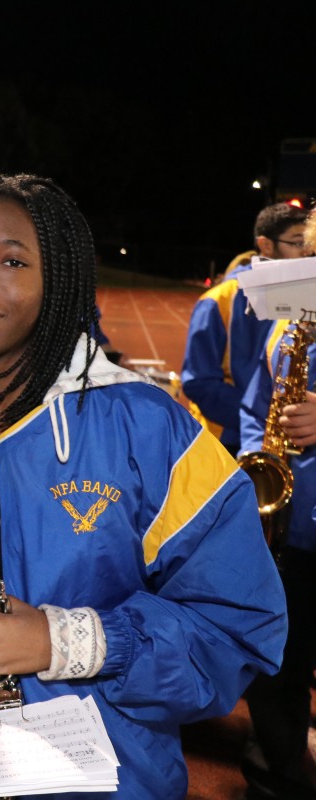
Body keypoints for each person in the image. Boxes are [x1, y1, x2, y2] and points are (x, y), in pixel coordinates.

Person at [0, 172, 287, 799]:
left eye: (12, 259)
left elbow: (238, 623)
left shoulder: (149, 427)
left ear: (62, 282)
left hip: (107, 778)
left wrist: (63, 641)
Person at [238, 209, 316, 800]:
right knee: (277, 656)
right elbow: (254, 400)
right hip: (288, 525)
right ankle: (279, 766)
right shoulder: (290, 321)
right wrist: (253, 453)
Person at [182, 202, 310, 453]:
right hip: (224, 440)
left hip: (280, 438)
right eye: (298, 243)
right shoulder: (217, 301)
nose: (307, 253)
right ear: (265, 245)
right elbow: (199, 382)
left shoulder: (303, 296)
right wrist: (263, 417)